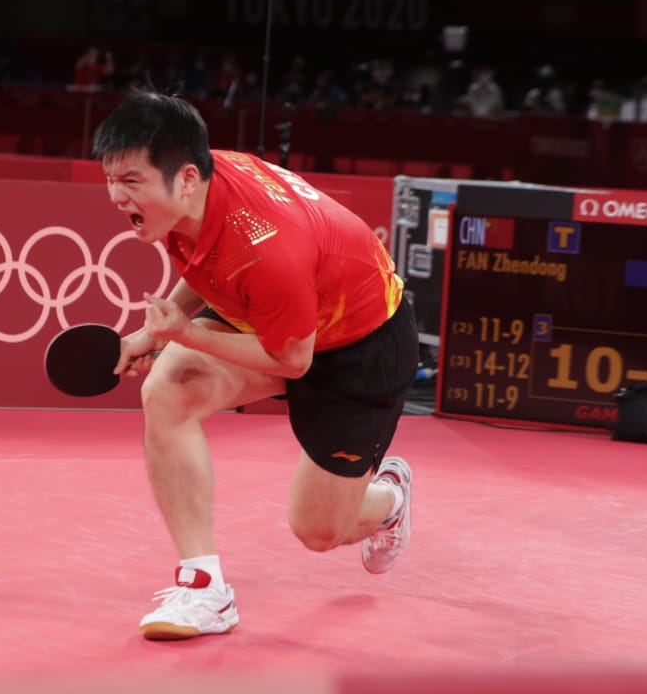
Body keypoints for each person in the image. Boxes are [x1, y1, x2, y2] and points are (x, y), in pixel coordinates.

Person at [92, 92, 418, 641]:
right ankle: (204, 589)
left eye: (131, 181)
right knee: (169, 387)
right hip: (286, 318)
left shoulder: (267, 245)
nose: (115, 195)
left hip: (363, 343)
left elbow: (294, 360)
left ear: (187, 178)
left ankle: (389, 501)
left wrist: (184, 332)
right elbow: (208, 266)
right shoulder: (190, 190)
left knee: (317, 531)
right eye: (111, 179)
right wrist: (155, 332)